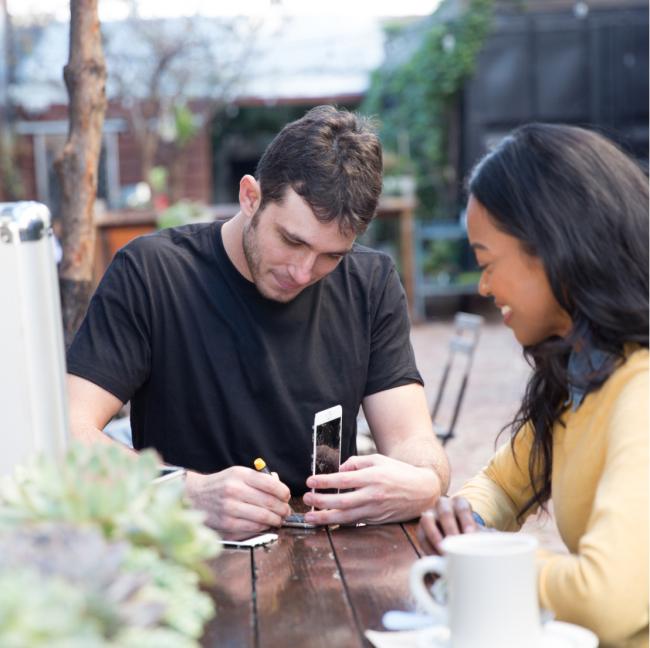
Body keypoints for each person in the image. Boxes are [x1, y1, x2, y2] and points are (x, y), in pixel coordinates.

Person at [67, 105, 449, 539]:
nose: (303, 272)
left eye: (331, 256)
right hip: (182, 553)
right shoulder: (151, 274)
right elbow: (66, 431)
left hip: (331, 563)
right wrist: (184, 493)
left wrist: (425, 482)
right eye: (291, 240)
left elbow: (413, 441)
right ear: (251, 197)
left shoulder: (370, 283)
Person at [416, 124, 648, 647]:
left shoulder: (640, 391)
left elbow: (605, 600)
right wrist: (465, 517)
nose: (483, 286)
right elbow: (503, 482)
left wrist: (485, 560)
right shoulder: (584, 375)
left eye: (487, 262)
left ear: (551, 248)